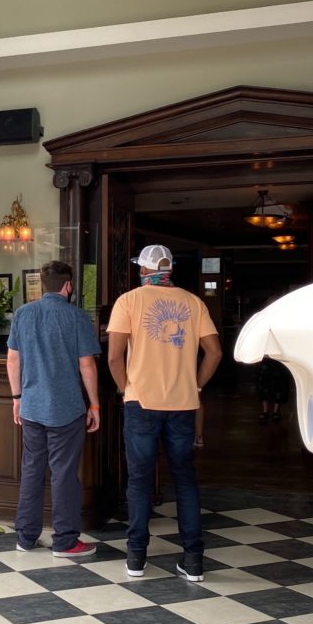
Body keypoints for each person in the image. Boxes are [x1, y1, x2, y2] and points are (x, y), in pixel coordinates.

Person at [107, 244, 222, 580]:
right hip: (183, 405)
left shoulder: (128, 301)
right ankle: (193, 560)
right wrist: (195, 385)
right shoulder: (194, 302)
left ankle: (136, 558)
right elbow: (214, 353)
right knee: (185, 481)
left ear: (143, 270)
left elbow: (114, 356)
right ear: (169, 269)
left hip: (141, 403)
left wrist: (124, 387)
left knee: (139, 481)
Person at [7, 260, 101, 557]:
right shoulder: (76, 317)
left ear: (42, 285)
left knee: (32, 470)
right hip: (66, 409)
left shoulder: (23, 314)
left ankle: (25, 537)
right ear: (68, 286)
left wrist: (17, 398)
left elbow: (12, 359)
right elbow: (86, 364)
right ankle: (65, 541)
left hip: (32, 408)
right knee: (63, 474)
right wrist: (95, 404)